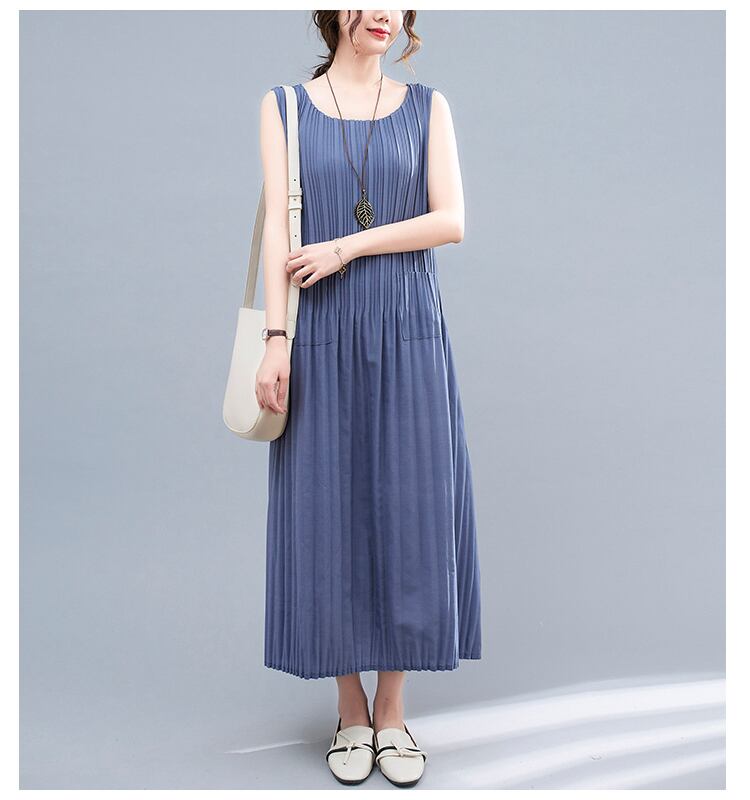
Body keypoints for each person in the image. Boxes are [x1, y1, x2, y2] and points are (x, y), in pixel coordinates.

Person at [255, 9, 481, 788]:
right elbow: (278, 236)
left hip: (408, 325)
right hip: (319, 329)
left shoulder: (429, 108)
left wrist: (348, 245)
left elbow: (452, 221)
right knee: (328, 510)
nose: (384, 10)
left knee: (410, 509)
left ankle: (392, 711)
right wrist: (275, 339)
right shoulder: (285, 108)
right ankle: (348, 708)